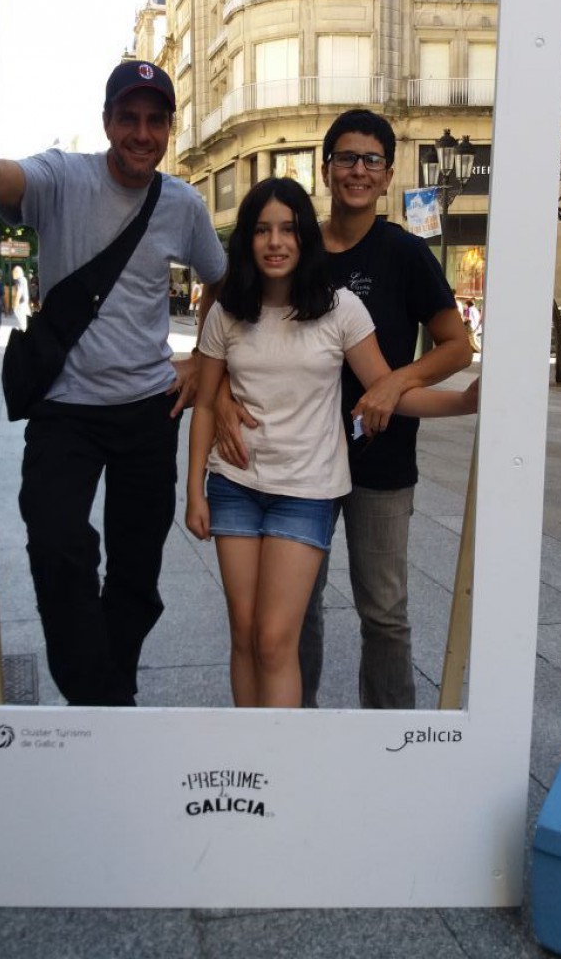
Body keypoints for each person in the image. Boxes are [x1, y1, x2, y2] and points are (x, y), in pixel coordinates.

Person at [0, 0, 227, 706]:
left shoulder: (182, 203)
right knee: (56, 545)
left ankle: (107, 692)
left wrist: (197, 365)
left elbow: (224, 280)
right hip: (65, 412)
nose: (141, 134)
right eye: (129, 118)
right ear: (109, 119)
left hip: (149, 410)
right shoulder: (61, 178)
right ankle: (100, 697)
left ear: (168, 129)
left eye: (155, 121)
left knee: (140, 576)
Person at [215, 109, 473, 710]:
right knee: (294, 613)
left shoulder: (407, 254)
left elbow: (457, 345)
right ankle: (294, 731)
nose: (359, 170)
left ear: (387, 176)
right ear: (326, 170)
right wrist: (221, 396)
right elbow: (227, 336)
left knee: (384, 613)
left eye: (372, 160)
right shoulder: (293, 248)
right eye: (347, 159)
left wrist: (393, 383)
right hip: (295, 466)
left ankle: (390, 742)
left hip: (379, 462)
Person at [11, 264, 30, 331]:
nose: (12, 273)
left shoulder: (19, 280)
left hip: (21, 303)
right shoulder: (24, 279)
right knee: (25, 319)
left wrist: (15, 304)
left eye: (13, 272)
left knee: (21, 321)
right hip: (24, 302)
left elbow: (19, 291)